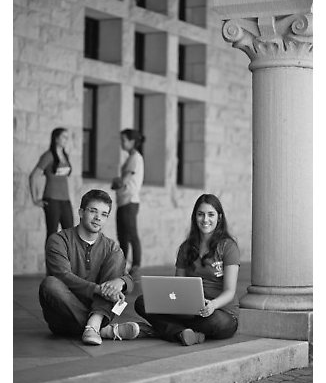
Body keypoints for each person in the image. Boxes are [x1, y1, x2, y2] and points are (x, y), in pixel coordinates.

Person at [39, 189, 149, 346]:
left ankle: (95, 323)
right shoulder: (59, 240)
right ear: (81, 212)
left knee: (117, 256)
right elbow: (64, 276)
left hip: (98, 307)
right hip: (65, 314)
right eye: (93, 211)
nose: (98, 218)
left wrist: (121, 282)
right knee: (50, 284)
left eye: (104, 214)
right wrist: (98, 290)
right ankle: (102, 329)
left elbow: (129, 281)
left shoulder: (111, 247)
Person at [135, 193, 240, 346]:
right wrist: (172, 302)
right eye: (200, 214)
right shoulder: (186, 248)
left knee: (219, 324)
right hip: (190, 311)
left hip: (219, 312)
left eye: (211, 215)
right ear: (194, 217)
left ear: (220, 218)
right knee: (142, 302)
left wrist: (212, 305)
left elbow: (230, 291)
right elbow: (178, 287)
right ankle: (183, 333)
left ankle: (167, 330)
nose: (205, 220)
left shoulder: (228, 247)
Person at [111, 129, 145, 281]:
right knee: (123, 236)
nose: (121, 143)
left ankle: (136, 267)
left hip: (129, 202)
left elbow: (121, 182)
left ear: (132, 141)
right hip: (124, 202)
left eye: (123, 140)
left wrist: (116, 182)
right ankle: (122, 267)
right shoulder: (131, 157)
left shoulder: (135, 158)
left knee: (131, 235)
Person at [29, 127, 74, 241]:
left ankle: (66, 259)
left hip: (65, 200)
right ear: (56, 138)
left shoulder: (65, 156)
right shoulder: (48, 156)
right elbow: (33, 176)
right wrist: (35, 199)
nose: (66, 140)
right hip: (52, 199)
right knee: (52, 234)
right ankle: (50, 259)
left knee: (70, 233)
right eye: (63, 137)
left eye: (67, 137)